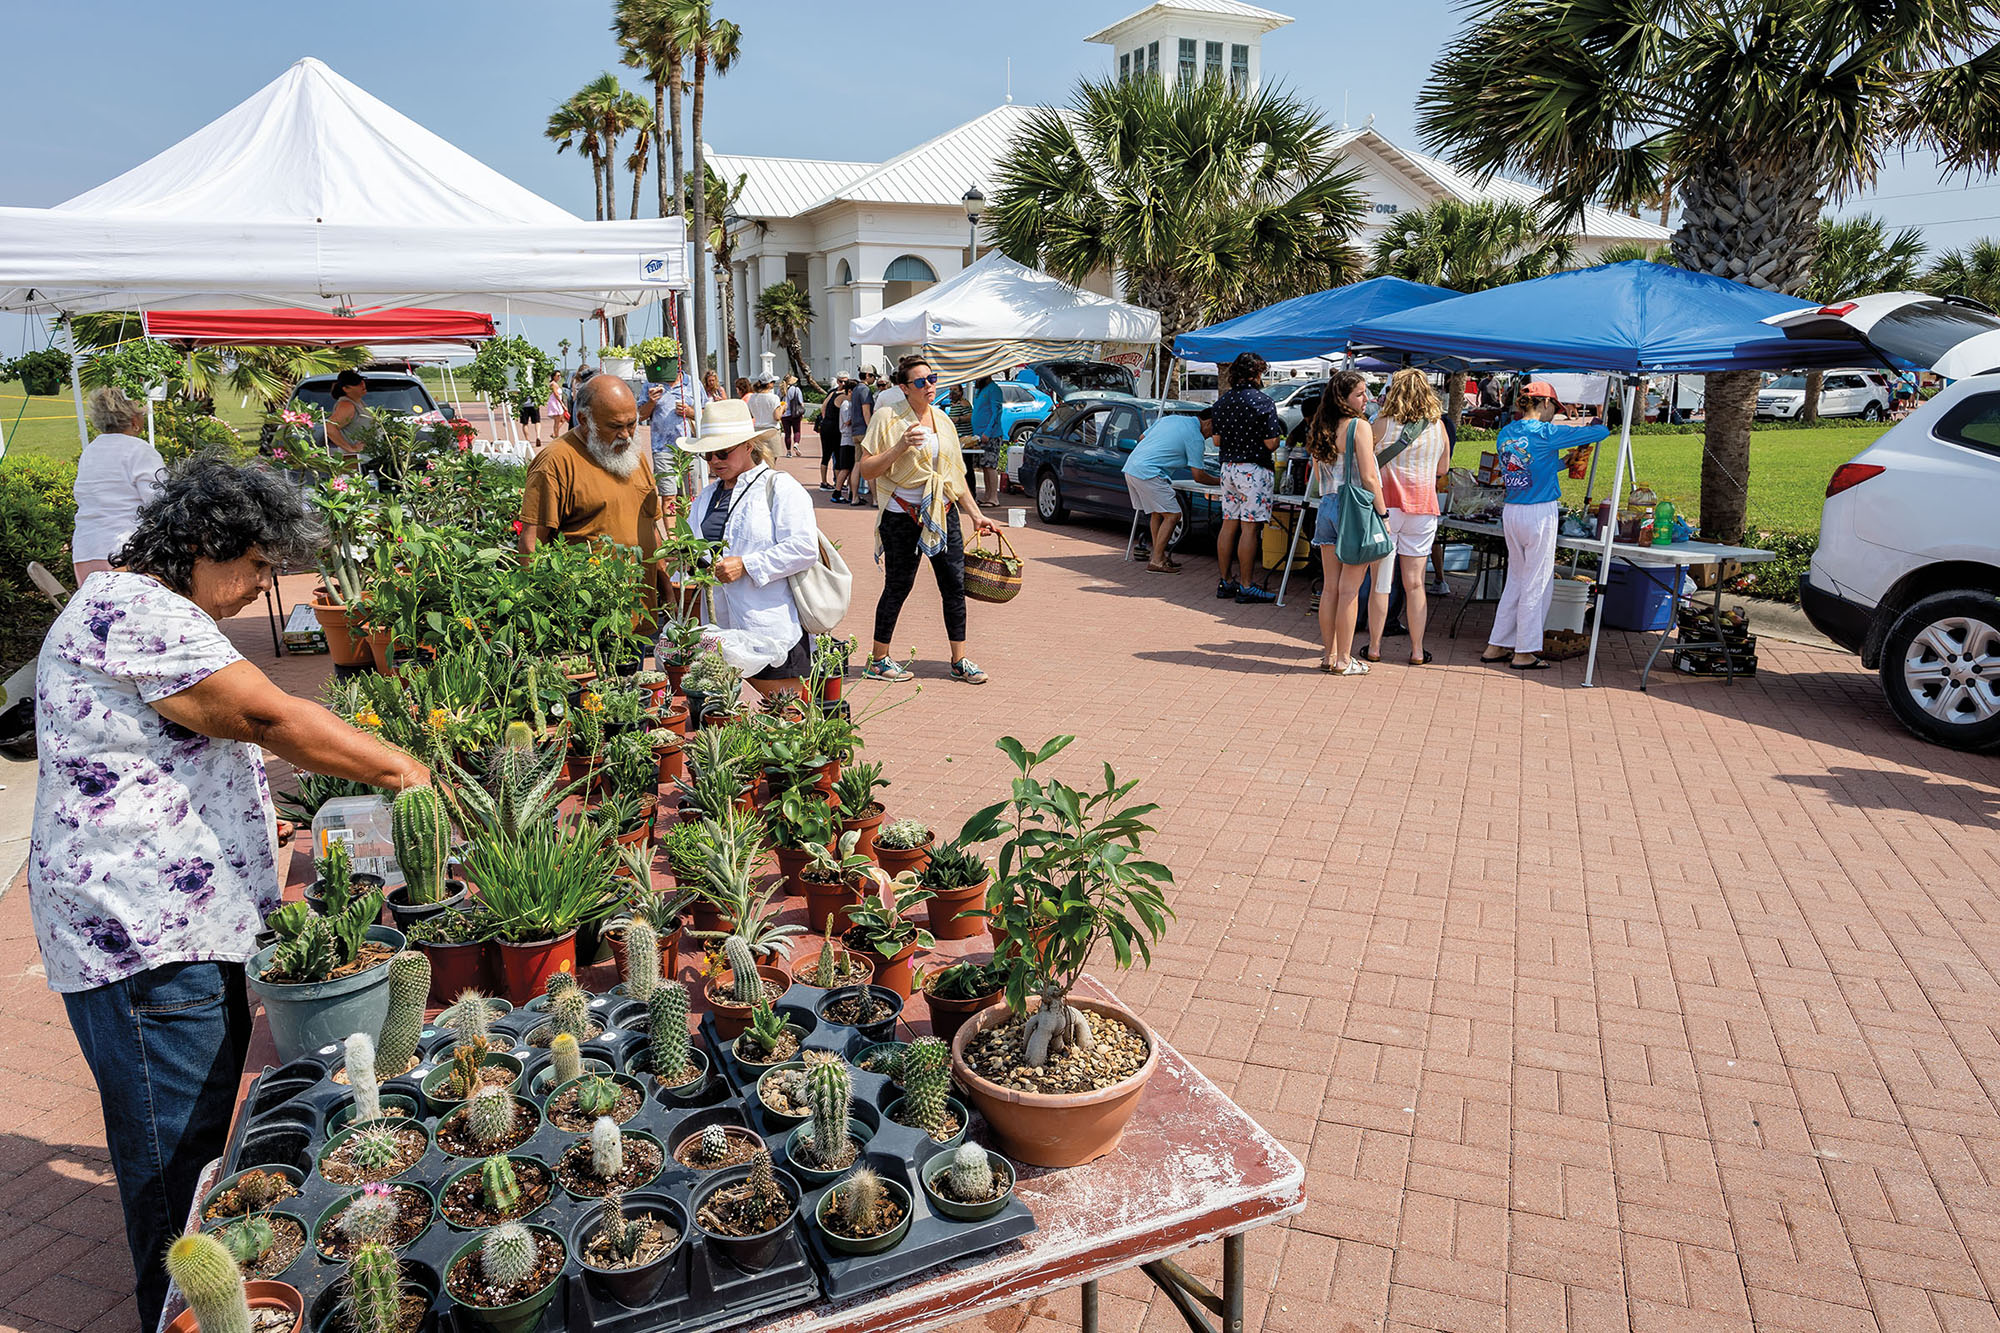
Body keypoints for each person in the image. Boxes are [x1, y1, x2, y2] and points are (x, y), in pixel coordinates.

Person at [29, 460, 428, 1331]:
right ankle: (180, 1316)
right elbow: (266, 716)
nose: (255, 590)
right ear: (204, 546)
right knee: (179, 1171)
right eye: (253, 567)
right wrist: (402, 766)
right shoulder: (136, 610)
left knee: (201, 1143)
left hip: (163, 929)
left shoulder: (131, 602)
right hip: (143, 944)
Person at [857, 354, 1000, 685]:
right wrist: (900, 447)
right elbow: (867, 469)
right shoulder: (887, 418)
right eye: (921, 382)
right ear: (905, 388)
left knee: (954, 584)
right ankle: (878, 659)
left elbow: (953, 475)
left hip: (941, 511)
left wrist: (976, 515)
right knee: (898, 585)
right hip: (901, 514)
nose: (930, 385)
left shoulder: (943, 420)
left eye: (933, 378)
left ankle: (959, 660)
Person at [676, 400, 821, 691]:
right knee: (727, 713)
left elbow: (805, 547)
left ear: (747, 446)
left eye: (722, 452)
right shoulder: (706, 497)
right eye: (707, 454)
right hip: (721, 629)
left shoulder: (779, 487)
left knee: (786, 716)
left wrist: (747, 565)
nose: (715, 460)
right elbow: (691, 551)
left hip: (771, 624)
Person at [1483, 380, 1609, 669]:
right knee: (1537, 582)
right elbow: (1600, 432)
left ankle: (1497, 644)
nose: (1556, 413)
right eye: (1556, 407)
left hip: (1512, 511)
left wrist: (1565, 462)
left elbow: (1529, 464)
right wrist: (1594, 420)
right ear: (1546, 403)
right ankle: (1525, 651)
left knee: (1516, 579)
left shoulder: (1507, 432)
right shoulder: (1546, 432)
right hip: (1539, 512)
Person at [519, 375, 664, 572]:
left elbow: (651, 528)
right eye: (615, 426)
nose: (625, 435)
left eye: (631, 424)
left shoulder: (634, 455)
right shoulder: (555, 462)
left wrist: (667, 590)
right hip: (588, 599)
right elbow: (531, 546)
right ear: (584, 420)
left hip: (645, 599)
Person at [1363, 369, 1453, 666]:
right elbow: (1442, 469)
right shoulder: (1438, 427)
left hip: (1386, 509)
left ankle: (1374, 647)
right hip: (1423, 509)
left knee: (1381, 581)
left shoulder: (1382, 425)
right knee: (1415, 583)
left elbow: (1365, 464)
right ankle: (1416, 650)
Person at [1308, 371, 1387, 675]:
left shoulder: (1320, 426)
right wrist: (1383, 513)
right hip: (1353, 509)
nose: (1366, 398)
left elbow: (1317, 476)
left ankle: (1329, 655)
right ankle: (1344, 659)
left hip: (1327, 505)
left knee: (1331, 588)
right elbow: (1368, 476)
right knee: (1349, 590)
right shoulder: (1359, 427)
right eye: (1360, 393)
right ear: (1345, 397)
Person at [71, 386, 165, 584]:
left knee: (98, 611)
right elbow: (160, 502)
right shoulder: (140, 450)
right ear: (133, 420)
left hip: (86, 549)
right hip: (125, 550)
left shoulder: (90, 451)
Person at [1211, 351, 1284, 604]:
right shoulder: (1263, 402)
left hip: (1227, 468)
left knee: (1229, 523)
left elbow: (1217, 440)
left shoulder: (1222, 402)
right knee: (1250, 529)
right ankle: (1246, 585)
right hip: (1253, 469)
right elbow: (1271, 442)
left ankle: (1225, 580)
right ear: (1257, 373)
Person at [1123, 407, 1217, 573]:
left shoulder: (1172, 419)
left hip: (1132, 467)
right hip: (1149, 473)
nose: (1209, 437)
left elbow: (1142, 437)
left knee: (1158, 513)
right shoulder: (1195, 437)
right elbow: (1199, 476)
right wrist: (1221, 480)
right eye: (1212, 432)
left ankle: (1159, 556)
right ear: (1208, 423)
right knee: (1173, 515)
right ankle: (1157, 560)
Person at [646, 371, 711, 503]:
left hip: (690, 447)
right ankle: (671, 525)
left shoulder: (692, 383)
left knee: (688, 497)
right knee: (668, 496)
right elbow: (640, 415)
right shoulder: (651, 383)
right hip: (662, 449)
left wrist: (690, 412)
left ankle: (684, 524)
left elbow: (707, 412)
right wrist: (651, 402)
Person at [968, 376, 1007, 507]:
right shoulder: (980, 390)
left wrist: (988, 432)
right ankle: (987, 495)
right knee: (984, 466)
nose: (976, 379)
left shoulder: (994, 389)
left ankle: (994, 497)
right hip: (979, 436)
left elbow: (997, 413)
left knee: (990, 466)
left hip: (991, 435)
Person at [324, 368, 371, 457]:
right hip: (360, 462)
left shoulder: (359, 402)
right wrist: (351, 450)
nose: (362, 384)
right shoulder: (347, 405)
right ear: (346, 388)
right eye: (356, 383)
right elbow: (329, 427)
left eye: (361, 380)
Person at [816, 378, 848, 490]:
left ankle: (824, 482)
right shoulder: (844, 396)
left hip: (826, 426)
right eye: (841, 381)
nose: (843, 384)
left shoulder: (832, 393)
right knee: (838, 456)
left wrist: (825, 419)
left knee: (826, 456)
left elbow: (823, 408)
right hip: (835, 428)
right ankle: (839, 484)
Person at [780, 375, 805, 457]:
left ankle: (788, 452)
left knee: (787, 433)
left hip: (784, 415)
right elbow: (801, 402)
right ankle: (796, 444)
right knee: (797, 431)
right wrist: (803, 412)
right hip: (795, 414)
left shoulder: (780, 390)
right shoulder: (796, 390)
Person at [543, 372, 569, 442]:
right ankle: (556, 436)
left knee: (562, 419)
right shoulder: (553, 384)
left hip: (557, 402)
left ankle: (555, 434)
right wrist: (562, 404)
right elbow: (556, 394)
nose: (559, 377)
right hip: (555, 403)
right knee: (557, 421)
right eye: (558, 376)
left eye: (560, 375)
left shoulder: (555, 383)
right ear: (554, 376)